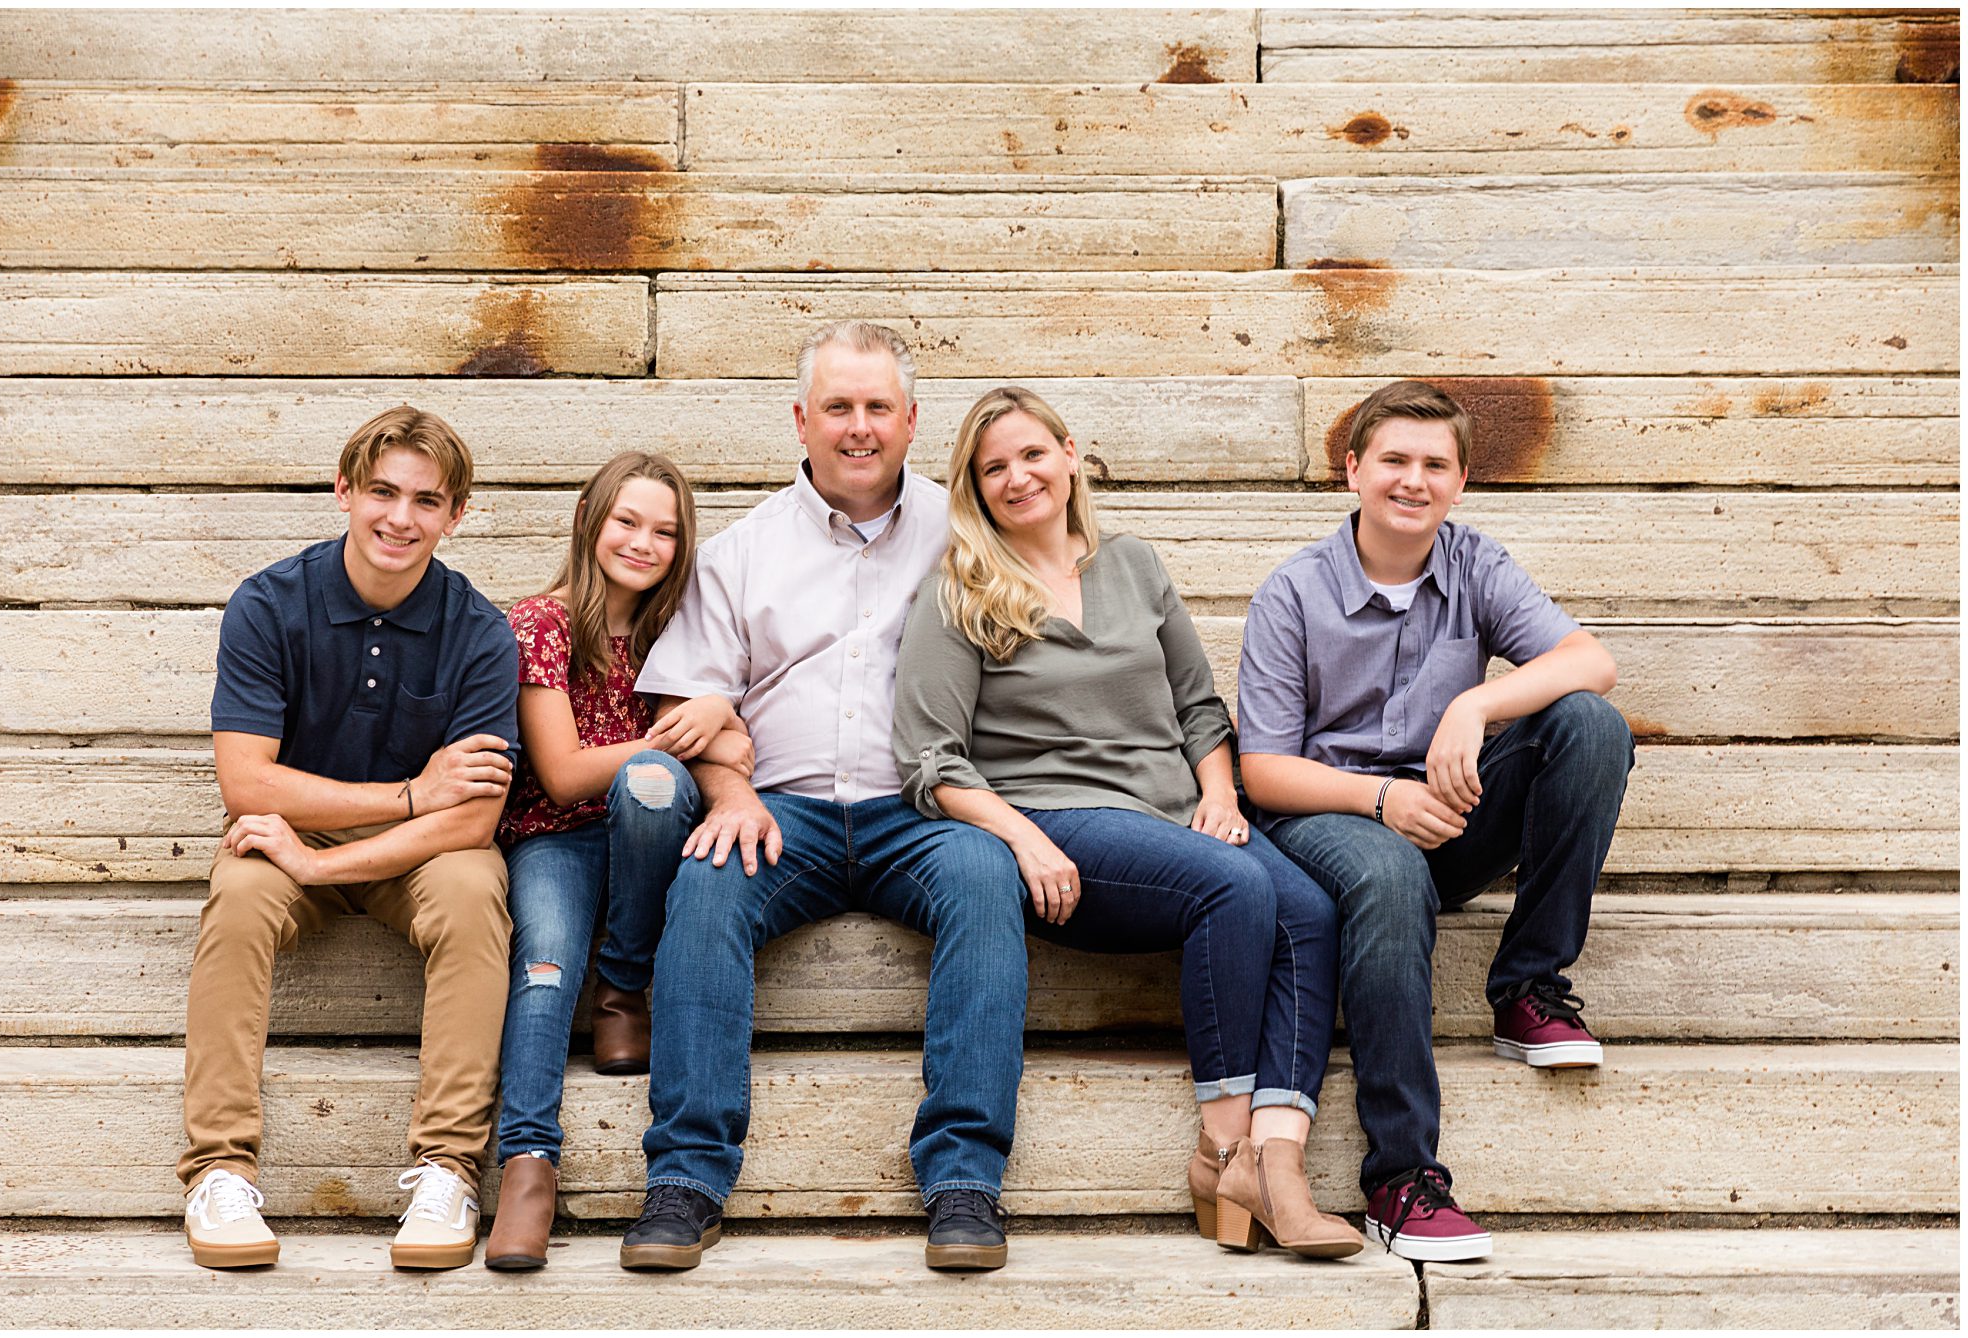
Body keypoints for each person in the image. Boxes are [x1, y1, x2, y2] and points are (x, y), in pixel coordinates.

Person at [894, 386, 1363, 1260]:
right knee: (1234, 885)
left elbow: (1197, 707)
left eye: (1033, 454)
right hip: (1060, 820)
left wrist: (1219, 795)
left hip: (1178, 810)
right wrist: (1024, 838)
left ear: (1071, 454)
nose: (1018, 476)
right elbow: (931, 760)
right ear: (973, 487)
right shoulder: (958, 591)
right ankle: (1224, 1153)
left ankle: (1280, 1161)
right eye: (993, 467)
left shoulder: (1134, 563)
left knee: (1311, 911)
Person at [619, 321, 1030, 1273]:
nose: (858, 427)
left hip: (920, 814)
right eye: (837, 407)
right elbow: (693, 703)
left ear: (912, 420)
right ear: (800, 420)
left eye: (877, 407)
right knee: (707, 884)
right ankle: (686, 1177)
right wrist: (728, 792)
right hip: (782, 810)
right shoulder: (739, 551)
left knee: (984, 879)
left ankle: (965, 1178)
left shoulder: (964, 529)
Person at [1237, 379, 1634, 1263]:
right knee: (1386, 869)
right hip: (1330, 820)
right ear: (1352, 471)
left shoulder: (1473, 564)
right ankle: (1400, 1178)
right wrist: (1380, 800)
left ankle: (1527, 990)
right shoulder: (1292, 593)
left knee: (1587, 723)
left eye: (1434, 465)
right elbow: (1263, 770)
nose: (1412, 481)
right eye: (1393, 461)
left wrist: (1476, 706)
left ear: (1459, 483)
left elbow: (1591, 661)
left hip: (1447, 813)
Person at [181, 405, 519, 1270]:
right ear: (342, 492)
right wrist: (408, 796)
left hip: (425, 852)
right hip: (311, 828)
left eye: (426, 501)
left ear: (456, 514)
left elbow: (474, 818)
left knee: (477, 891)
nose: (400, 518)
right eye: (381, 491)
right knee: (245, 890)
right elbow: (246, 782)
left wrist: (327, 851)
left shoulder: (481, 633)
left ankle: (447, 1168)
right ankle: (217, 1168)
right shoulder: (268, 605)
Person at [483, 451, 754, 1271]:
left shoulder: (684, 632)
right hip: (555, 833)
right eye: (627, 521)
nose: (644, 542)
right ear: (589, 520)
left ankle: (625, 986)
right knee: (541, 966)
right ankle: (527, 1163)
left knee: (648, 788)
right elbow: (562, 772)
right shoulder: (540, 625)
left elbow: (739, 746)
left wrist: (717, 711)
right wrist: (675, 738)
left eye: (666, 531)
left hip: (651, 834)